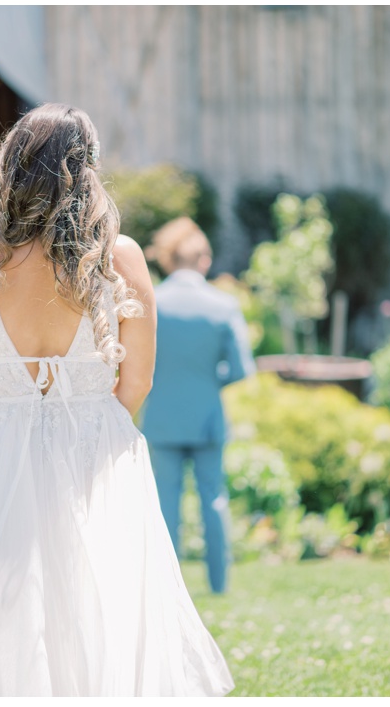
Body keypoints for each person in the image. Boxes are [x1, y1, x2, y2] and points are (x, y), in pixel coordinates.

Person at [0, 103, 233, 695]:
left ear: (12, 167)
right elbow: (139, 381)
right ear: (85, 170)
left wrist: (17, 417)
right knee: (104, 603)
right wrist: (87, 417)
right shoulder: (119, 256)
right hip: (97, 450)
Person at [142, 218, 254, 594]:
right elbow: (241, 368)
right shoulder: (223, 306)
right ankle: (218, 583)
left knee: (165, 503)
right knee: (214, 498)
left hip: (160, 418)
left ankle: (167, 586)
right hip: (207, 418)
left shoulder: (151, 302)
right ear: (203, 260)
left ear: (169, 260)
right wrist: (211, 379)